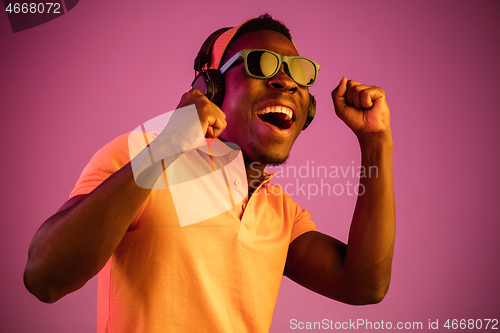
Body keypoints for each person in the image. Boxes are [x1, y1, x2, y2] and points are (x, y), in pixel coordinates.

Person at [24, 14, 395, 333]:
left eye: (298, 73)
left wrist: (375, 140)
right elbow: (45, 277)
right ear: (211, 89)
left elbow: (364, 285)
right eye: (260, 64)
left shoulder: (282, 214)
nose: (286, 82)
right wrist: (167, 146)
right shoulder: (139, 155)